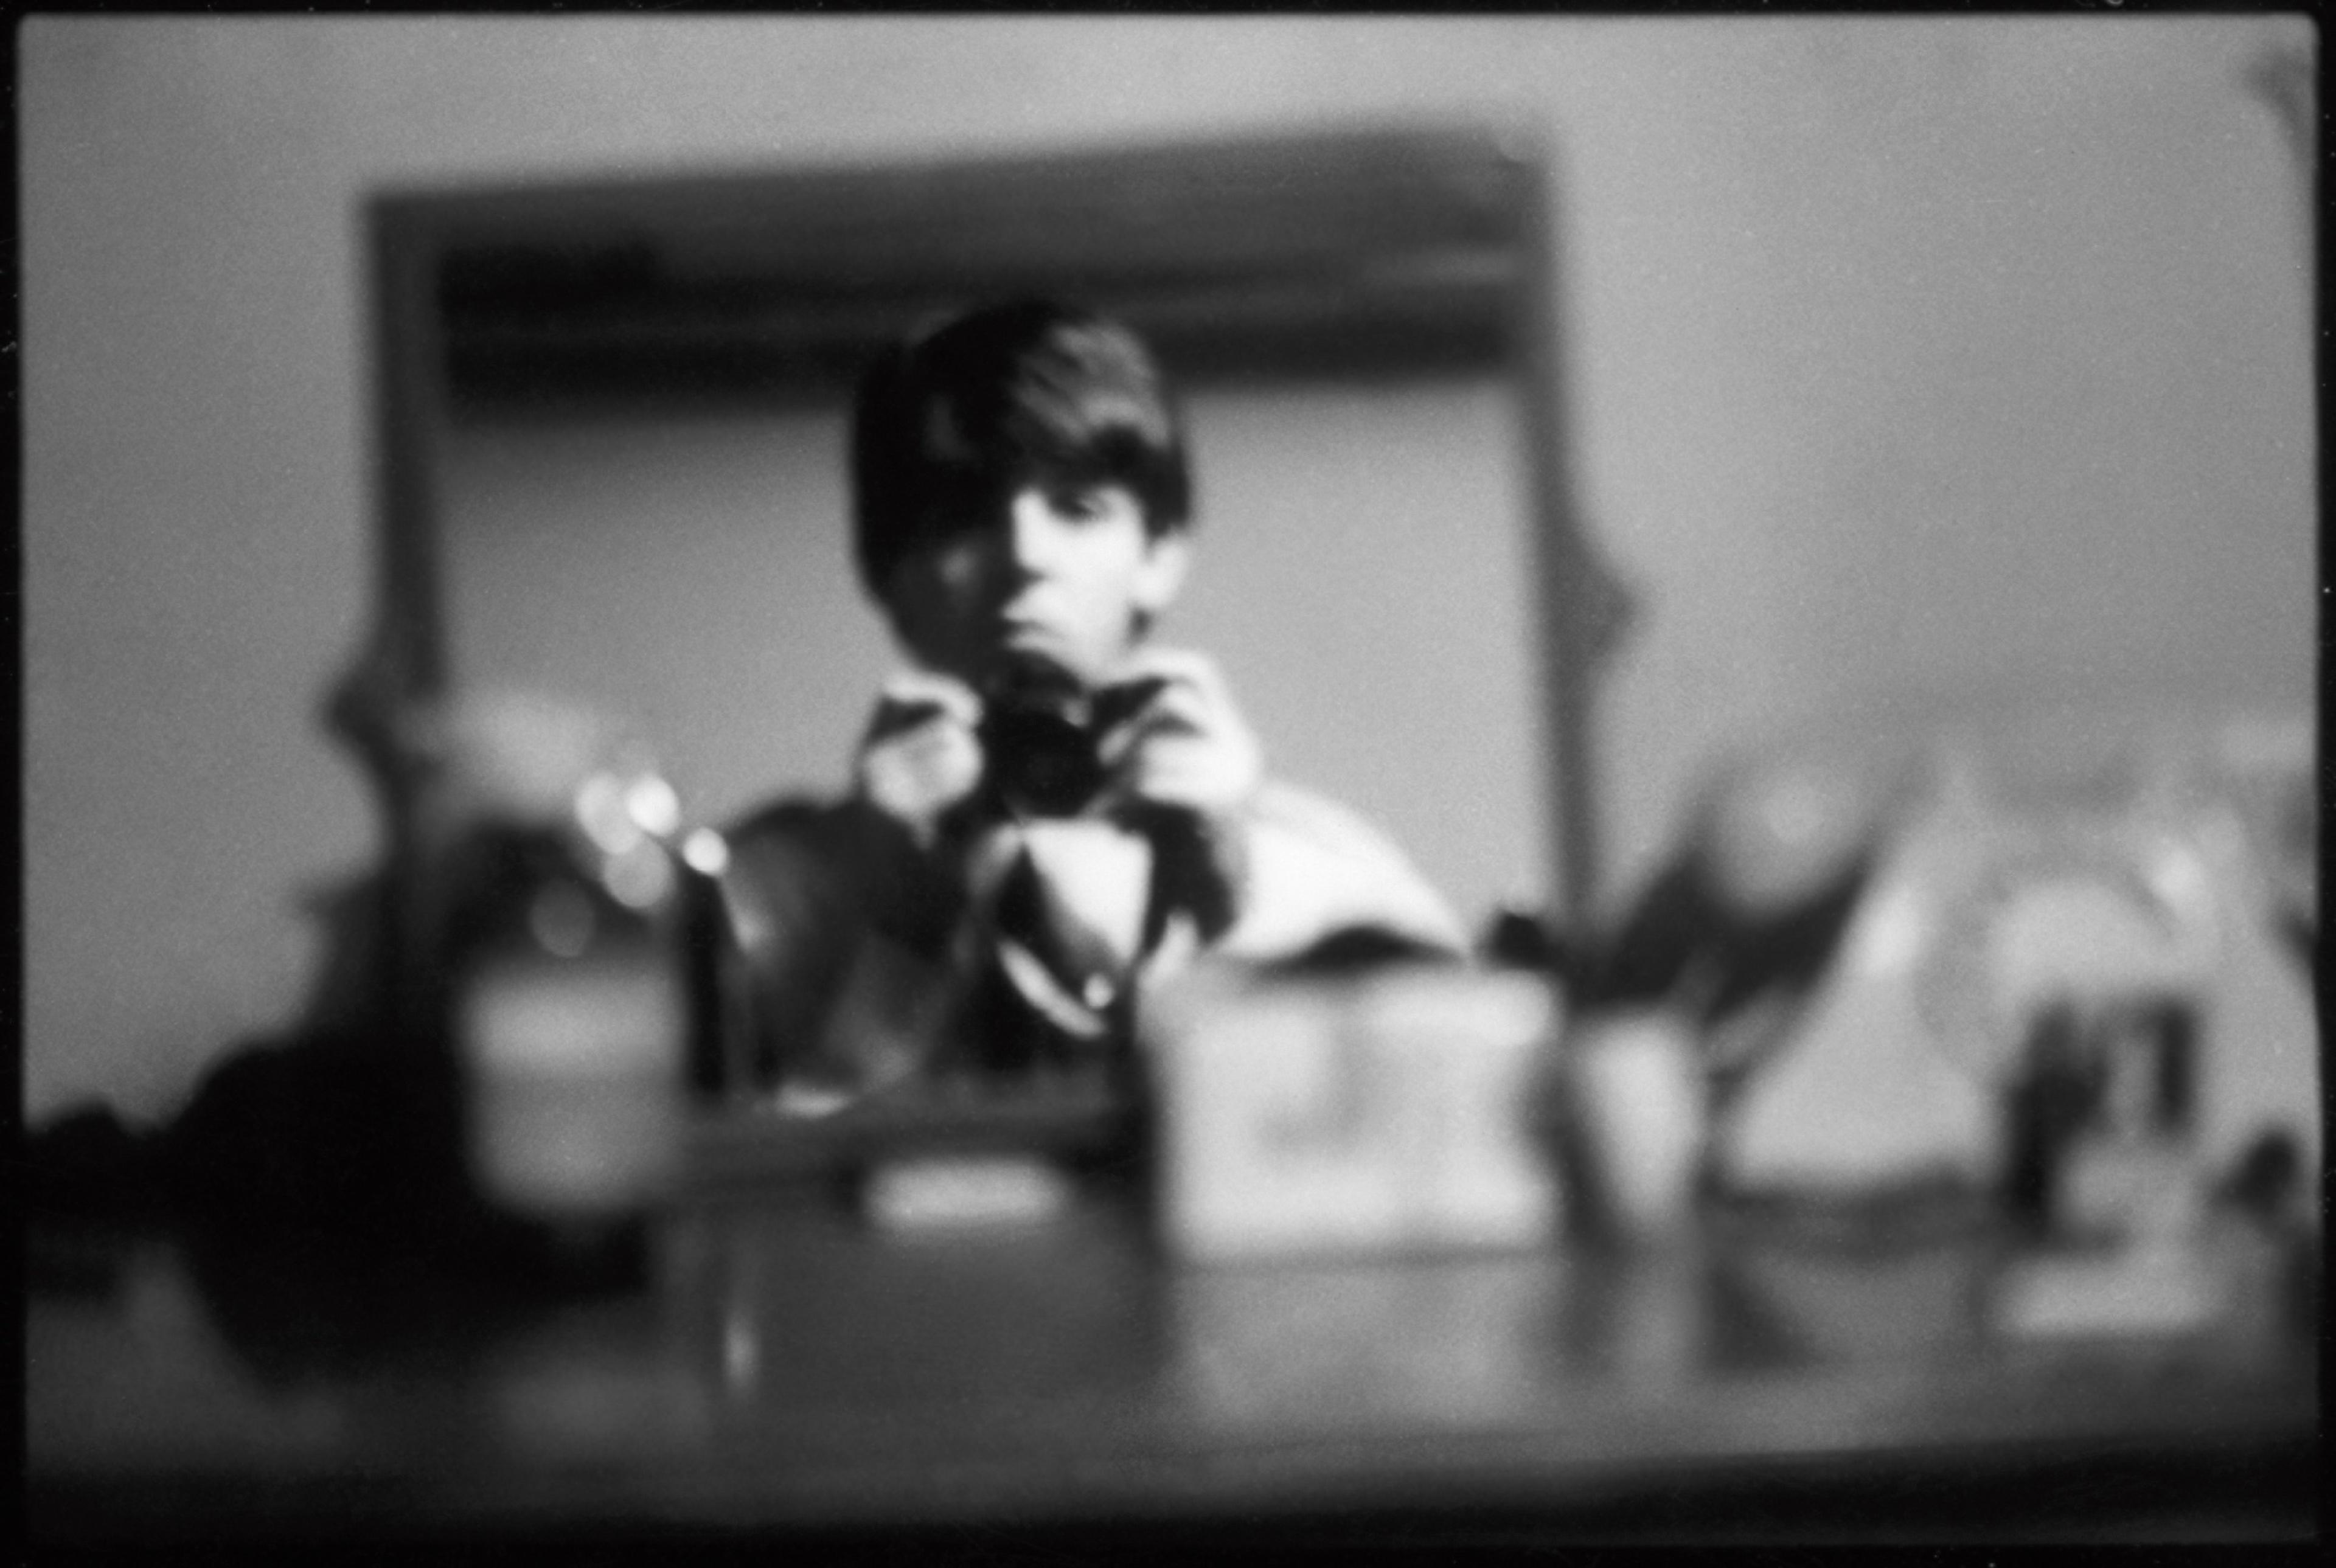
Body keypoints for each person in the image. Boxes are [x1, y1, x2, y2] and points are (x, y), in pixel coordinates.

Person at [720, 299, 1464, 1103]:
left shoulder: (1322, 881)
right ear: (887, 572)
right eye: (964, 515)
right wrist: (895, 930)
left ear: (1160, 553)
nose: (1027, 557)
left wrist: (1218, 905)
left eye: (1078, 509)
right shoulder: (758, 899)